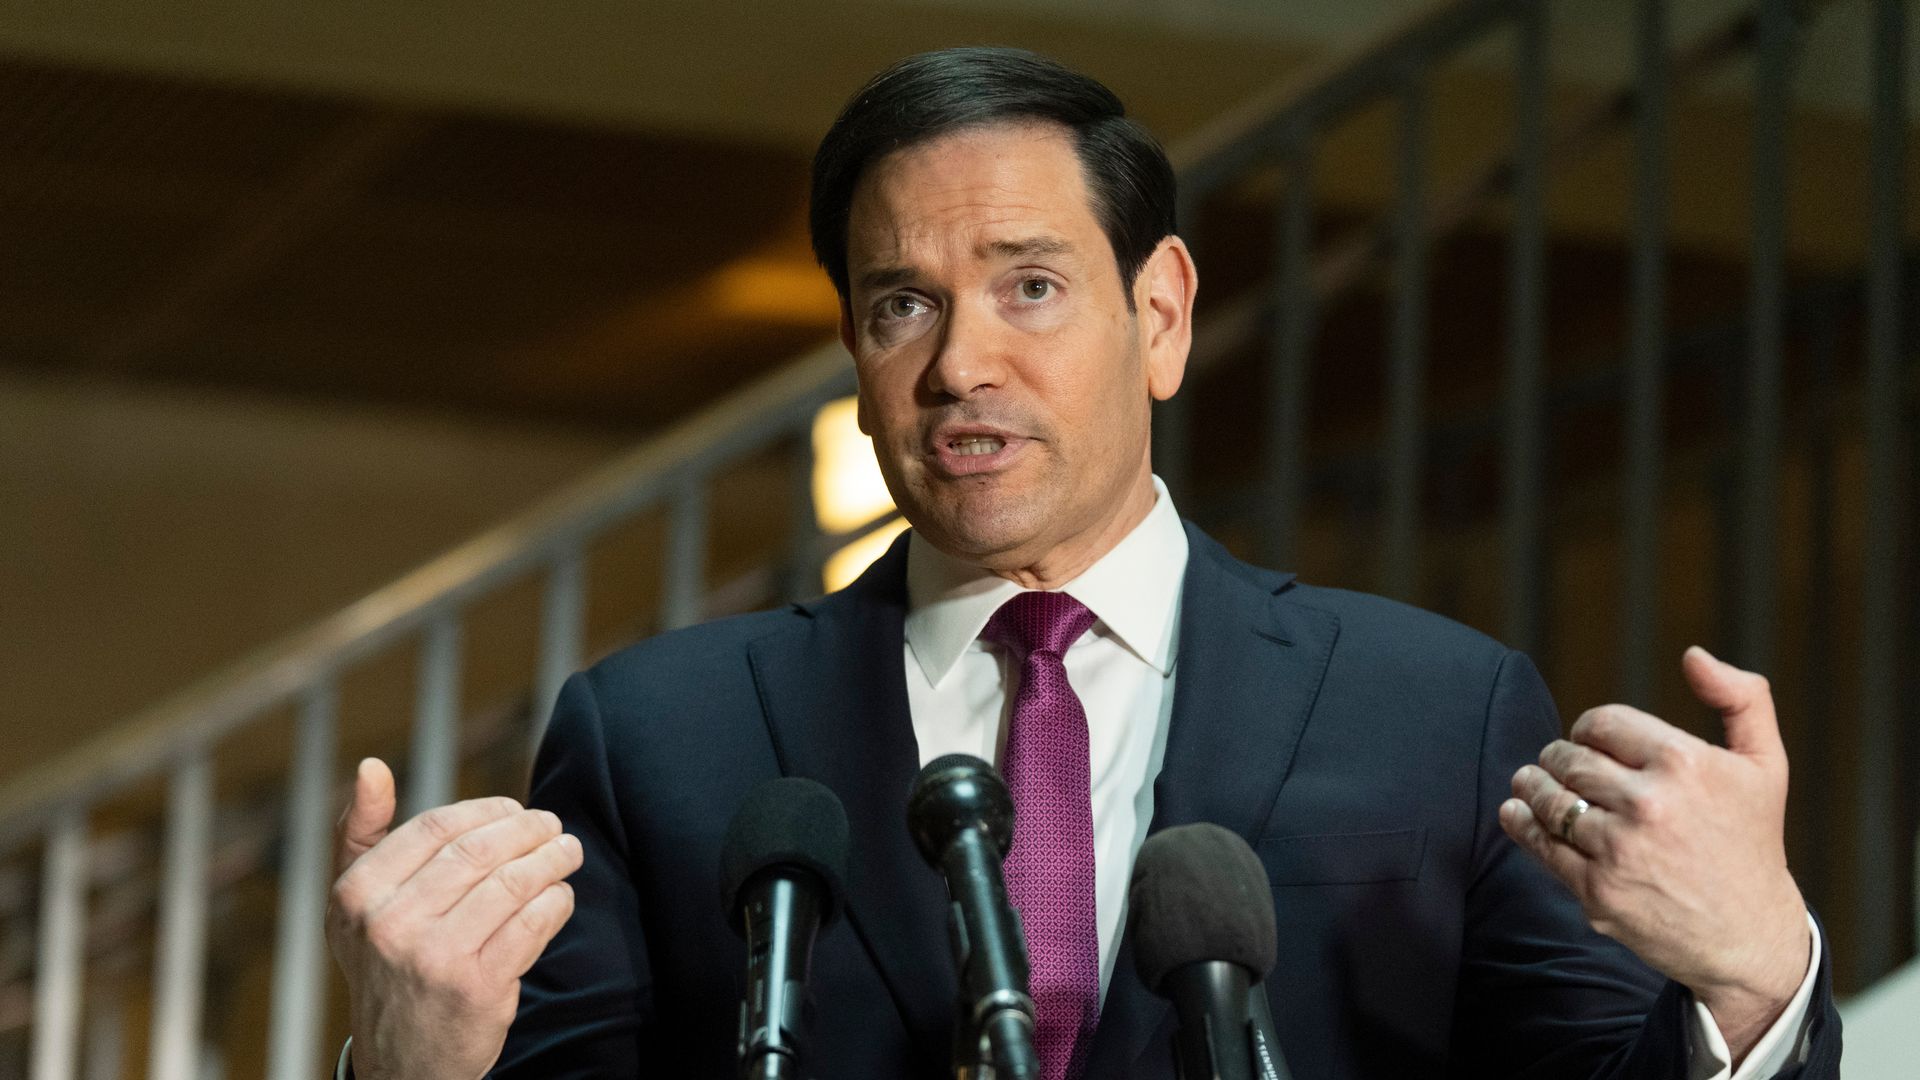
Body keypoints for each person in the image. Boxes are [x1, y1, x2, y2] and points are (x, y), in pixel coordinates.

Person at [324, 47, 1840, 1079]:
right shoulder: (659, 733)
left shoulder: (1434, 708)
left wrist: (1757, 975)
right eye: (901, 305)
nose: (960, 361)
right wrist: (406, 1063)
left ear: (1163, 314)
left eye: (1030, 287)